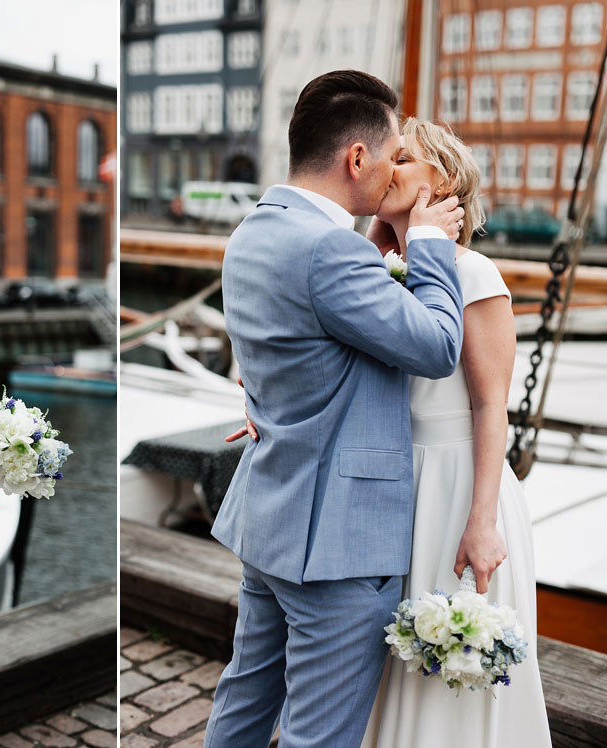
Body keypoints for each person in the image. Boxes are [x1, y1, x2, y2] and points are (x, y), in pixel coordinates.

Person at [203, 70, 466, 747]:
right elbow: (437, 345)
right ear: (357, 158)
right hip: (339, 545)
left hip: (270, 520)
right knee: (318, 737)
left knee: (243, 702)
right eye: (389, 155)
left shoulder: (252, 233)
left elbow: (295, 356)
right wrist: (430, 243)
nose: (390, 173)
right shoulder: (330, 250)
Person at [354, 118, 552, 747]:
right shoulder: (381, 266)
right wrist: (384, 233)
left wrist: (482, 519)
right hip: (399, 484)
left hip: (461, 485)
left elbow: (493, 406)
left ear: (440, 179)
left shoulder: (475, 275)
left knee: (446, 654)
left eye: (403, 159)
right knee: (391, 656)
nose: (387, 168)